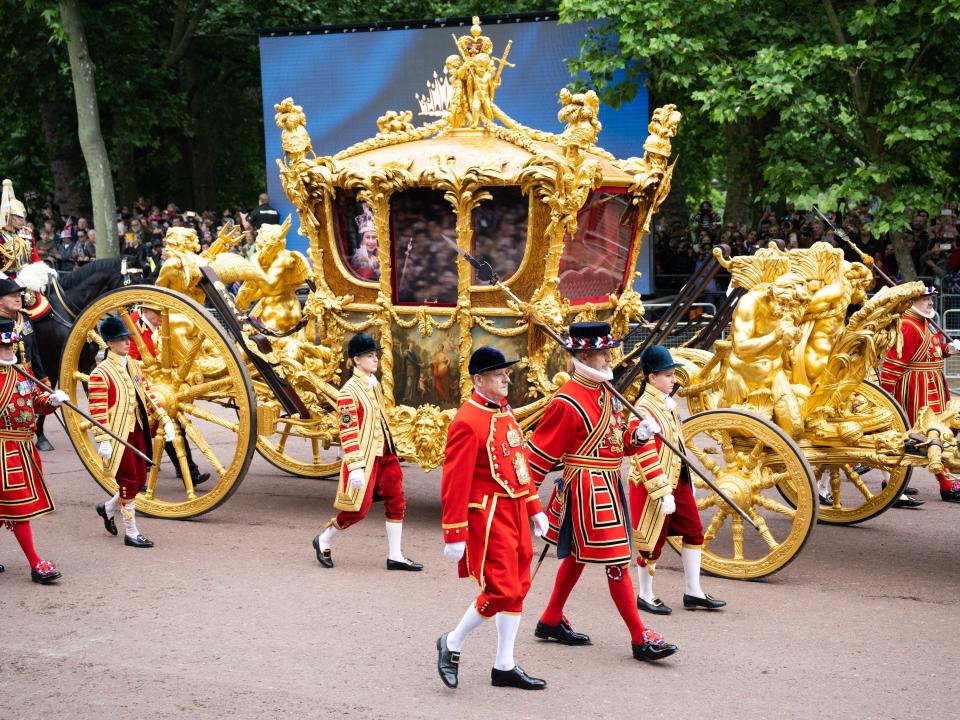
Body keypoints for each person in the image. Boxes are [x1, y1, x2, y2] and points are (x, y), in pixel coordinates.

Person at [525, 321, 677, 663]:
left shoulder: (608, 393)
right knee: (617, 559)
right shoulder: (567, 401)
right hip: (585, 488)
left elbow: (617, 445)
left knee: (579, 556)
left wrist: (638, 436)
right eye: (602, 353)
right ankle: (640, 637)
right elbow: (538, 455)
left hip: (609, 483)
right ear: (584, 356)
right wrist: (526, 502)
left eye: (607, 352)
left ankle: (550, 619)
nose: (609, 358)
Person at [436, 347, 548, 691]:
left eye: (506, 373)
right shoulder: (467, 421)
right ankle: (452, 643)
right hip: (487, 513)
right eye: (498, 375)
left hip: (514, 510)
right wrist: (454, 532)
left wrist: (535, 508)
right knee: (501, 589)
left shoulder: (504, 412)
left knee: (518, 589)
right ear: (479, 380)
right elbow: (454, 482)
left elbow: (519, 465)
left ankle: (504, 665)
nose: (506, 379)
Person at [311, 333, 422, 570]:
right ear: (356, 360)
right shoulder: (348, 393)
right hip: (365, 457)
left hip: (386, 453)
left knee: (397, 500)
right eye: (369, 356)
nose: (375, 360)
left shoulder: (374, 384)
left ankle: (395, 555)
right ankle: (324, 539)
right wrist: (355, 467)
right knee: (358, 510)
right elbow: (348, 432)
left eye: (375, 355)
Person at [629, 345, 726, 614]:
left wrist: (687, 480)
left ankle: (693, 591)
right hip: (653, 485)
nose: (674, 380)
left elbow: (677, 446)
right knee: (652, 542)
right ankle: (645, 595)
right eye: (669, 375)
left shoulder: (667, 404)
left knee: (694, 531)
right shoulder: (643, 408)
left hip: (677, 479)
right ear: (652, 378)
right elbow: (643, 455)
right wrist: (662, 491)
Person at [89, 316, 176, 548]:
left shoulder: (134, 366)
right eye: (121, 339)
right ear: (110, 343)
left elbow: (146, 396)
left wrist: (164, 418)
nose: (127, 343)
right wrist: (103, 439)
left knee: (138, 479)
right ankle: (131, 531)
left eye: (127, 338)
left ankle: (107, 508)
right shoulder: (100, 372)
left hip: (137, 429)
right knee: (128, 480)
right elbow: (98, 411)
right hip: (118, 434)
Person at [0, 317, 67, 583]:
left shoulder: (21, 371)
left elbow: (34, 402)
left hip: (23, 447)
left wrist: (50, 400)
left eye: (11, 347)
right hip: (3, 449)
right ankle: (35, 563)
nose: (9, 351)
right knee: (18, 508)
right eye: (4, 348)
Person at [880, 287, 960, 503]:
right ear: (911, 302)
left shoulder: (922, 322)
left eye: (930, 298)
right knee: (928, 435)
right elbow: (892, 365)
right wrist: (884, 399)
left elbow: (929, 350)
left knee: (938, 432)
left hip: (931, 385)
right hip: (916, 389)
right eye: (924, 299)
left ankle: (897, 481)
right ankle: (947, 484)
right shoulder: (908, 325)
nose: (930, 302)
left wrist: (947, 349)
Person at [127, 304, 210, 488]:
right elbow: (130, 359)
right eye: (157, 314)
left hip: (162, 388)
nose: (160, 318)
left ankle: (189, 471)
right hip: (141, 389)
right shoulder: (131, 325)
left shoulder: (161, 325)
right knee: (138, 436)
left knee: (174, 427)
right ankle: (136, 479)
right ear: (145, 311)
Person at [0, 278, 53, 451]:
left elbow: (35, 351)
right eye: (13, 296)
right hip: (4, 377)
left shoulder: (25, 318)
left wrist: (43, 379)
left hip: (26, 375)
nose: (18, 299)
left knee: (34, 407)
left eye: (19, 295)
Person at [0, 179, 41, 277]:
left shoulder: (26, 233)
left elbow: (35, 257)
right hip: (7, 282)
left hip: (29, 278)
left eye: (23, 216)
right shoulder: (1, 235)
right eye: (18, 216)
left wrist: (43, 270)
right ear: (8, 216)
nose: (22, 219)